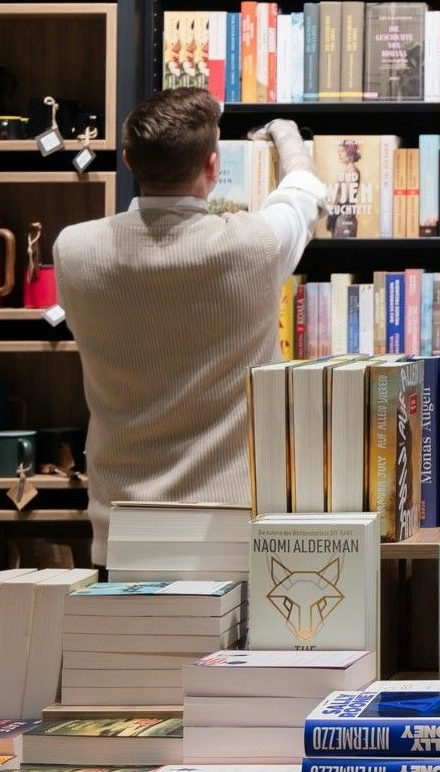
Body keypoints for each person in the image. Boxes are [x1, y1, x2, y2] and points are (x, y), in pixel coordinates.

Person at [54, 89, 325, 562]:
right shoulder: (251, 247)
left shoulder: (74, 250)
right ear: (213, 167)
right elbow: (303, 193)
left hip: (121, 528)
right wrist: (284, 134)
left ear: (127, 162)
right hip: (233, 526)